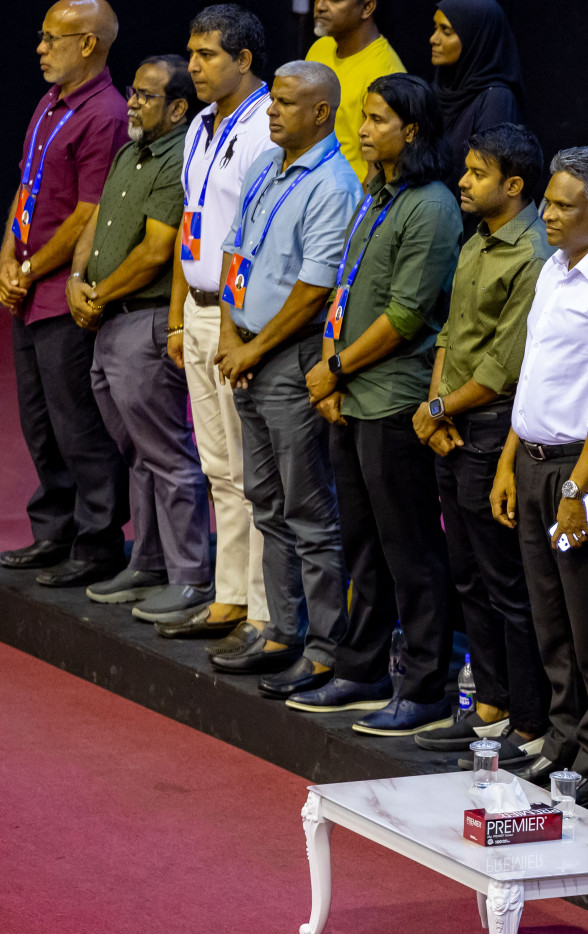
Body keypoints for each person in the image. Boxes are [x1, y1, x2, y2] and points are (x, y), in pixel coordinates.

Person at [304, 73, 461, 735]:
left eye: (375, 120)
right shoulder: (376, 192)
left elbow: (404, 317)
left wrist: (335, 367)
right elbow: (346, 289)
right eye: (362, 119)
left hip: (393, 399)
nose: (363, 131)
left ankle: (425, 686)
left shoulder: (430, 206)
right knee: (363, 544)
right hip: (352, 393)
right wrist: (334, 376)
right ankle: (362, 668)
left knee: (410, 549)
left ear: (413, 130)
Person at [489, 147, 588, 807]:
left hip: (580, 473)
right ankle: (561, 743)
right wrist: (506, 459)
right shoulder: (555, 266)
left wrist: (580, 492)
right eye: (547, 201)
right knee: (549, 619)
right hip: (532, 461)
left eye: (562, 206)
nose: (547, 215)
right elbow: (534, 375)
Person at [210, 61, 362, 705]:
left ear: (322, 113)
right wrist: (227, 336)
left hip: (289, 357)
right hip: (246, 349)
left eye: (287, 103)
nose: (271, 112)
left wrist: (252, 349)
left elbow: (313, 292)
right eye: (272, 100)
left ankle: (325, 649)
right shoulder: (264, 166)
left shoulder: (333, 184)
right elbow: (234, 254)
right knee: (266, 501)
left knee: (308, 509)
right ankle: (280, 630)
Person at [407, 124, 552, 758]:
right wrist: (435, 407)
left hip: (493, 428)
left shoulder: (533, 255)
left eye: (475, 173)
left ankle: (528, 720)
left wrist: (442, 407)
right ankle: (488, 706)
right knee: (466, 574)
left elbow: (503, 366)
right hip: (453, 422)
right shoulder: (478, 239)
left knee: (505, 582)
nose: (461, 182)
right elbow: (449, 335)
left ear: (513, 185)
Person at [68, 56, 211, 620]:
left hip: (143, 321)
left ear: (178, 108)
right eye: (133, 91)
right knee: (137, 453)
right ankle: (149, 561)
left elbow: (157, 251)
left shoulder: (179, 158)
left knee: (168, 455)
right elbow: (98, 221)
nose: (132, 102)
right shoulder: (132, 150)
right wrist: (80, 280)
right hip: (110, 319)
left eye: (147, 96)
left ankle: (191, 576)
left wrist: (98, 297)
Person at [0, 0, 129, 586]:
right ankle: (52, 530)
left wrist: (28, 269)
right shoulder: (49, 102)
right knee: (37, 421)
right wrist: (6, 254)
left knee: (77, 424)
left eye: (52, 37)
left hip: (61, 294)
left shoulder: (105, 113)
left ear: (87, 44)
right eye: (41, 34)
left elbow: (89, 214)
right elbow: (27, 184)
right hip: (29, 290)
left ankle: (97, 543)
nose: (40, 47)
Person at [160, 3, 273, 647]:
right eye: (193, 52)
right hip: (199, 311)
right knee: (218, 467)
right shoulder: (201, 123)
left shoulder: (263, 126)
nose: (193, 66)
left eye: (206, 55)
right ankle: (228, 596)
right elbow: (191, 224)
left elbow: (251, 239)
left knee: (255, 475)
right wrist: (179, 319)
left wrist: (231, 326)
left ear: (244, 60)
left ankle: (263, 612)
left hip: (240, 320)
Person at [306, 0, 406, 181]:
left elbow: (380, 169)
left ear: (367, 7)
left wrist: (360, 209)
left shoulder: (386, 74)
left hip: (347, 199)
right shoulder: (319, 48)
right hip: (305, 184)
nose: (320, 6)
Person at [430, 0, 522, 175]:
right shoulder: (440, 86)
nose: (433, 39)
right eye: (435, 28)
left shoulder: (496, 99)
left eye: (446, 31)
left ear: (475, 38)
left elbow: (486, 176)